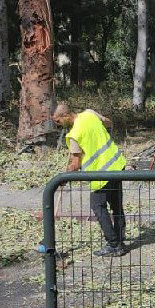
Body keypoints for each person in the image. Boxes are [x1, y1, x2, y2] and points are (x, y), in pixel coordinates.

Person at [52, 103, 127, 257]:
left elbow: (75, 164)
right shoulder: (90, 113)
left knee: (98, 207)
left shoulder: (73, 135)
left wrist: (64, 177)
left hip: (100, 173)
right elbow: (108, 122)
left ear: (66, 116)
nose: (57, 125)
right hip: (117, 165)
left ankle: (114, 245)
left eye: (58, 121)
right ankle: (120, 240)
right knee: (117, 206)